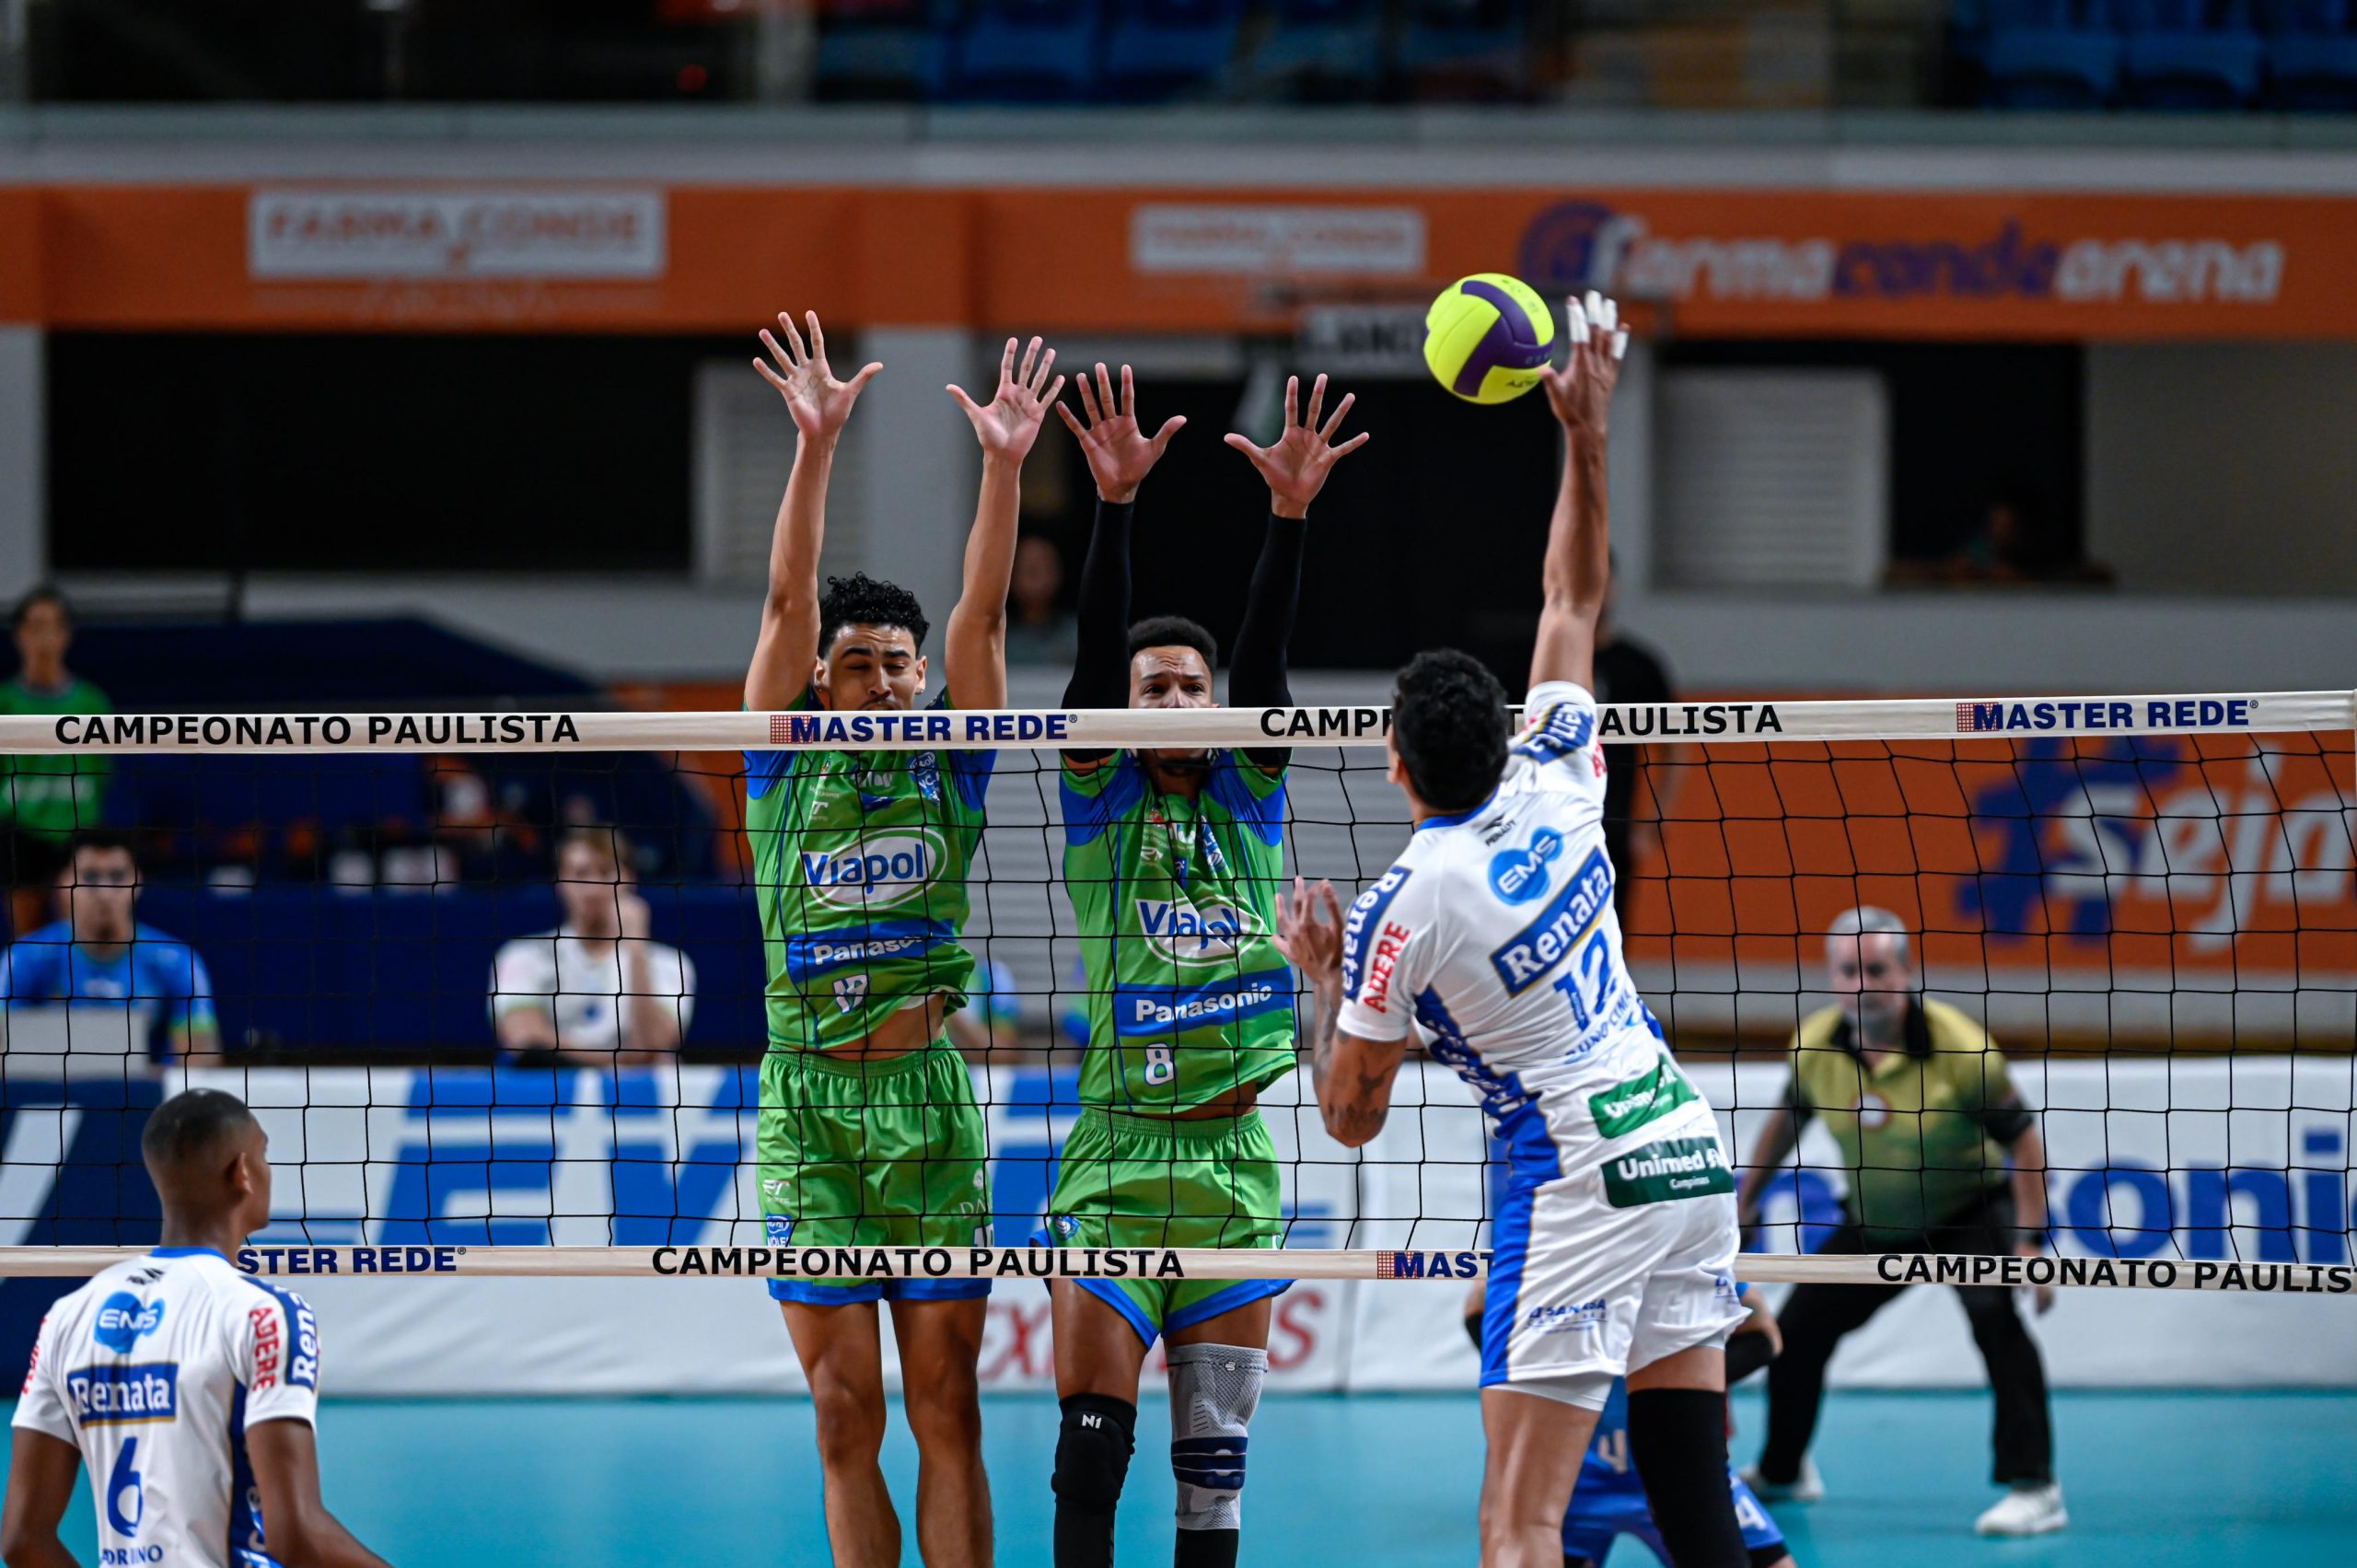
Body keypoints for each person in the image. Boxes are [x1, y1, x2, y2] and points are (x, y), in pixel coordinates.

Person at [1278, 293, 1759, 1568]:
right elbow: (1572, 590)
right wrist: (1584, 433)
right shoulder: (1559, 769)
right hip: (1680, 1143)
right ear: (1504, 732)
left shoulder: (1402, 905)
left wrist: (1317, 981)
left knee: (1517, 1524)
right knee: (1693, 1501)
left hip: (1581, 1181)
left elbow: (1349, 1115)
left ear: (1392, 760)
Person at [742, 313, 1062, 1568]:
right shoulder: (779, 767)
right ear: (823, 682)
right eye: (857, 664)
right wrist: (817, 443)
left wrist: (1003, 465)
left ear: (921, 680)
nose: (880, 682)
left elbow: (985, 620)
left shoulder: (952, 760)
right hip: (808, 1108)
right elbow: (781, 597)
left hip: (926, 1105)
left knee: (948, 1409)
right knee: (841, 1411)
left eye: (896, 664)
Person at [1042, 362, 1365, 1568]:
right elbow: (1085, 673)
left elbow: (1269, 668)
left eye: (1191, 682)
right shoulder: (1097, 800)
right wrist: (1115, 506)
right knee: (1089, 1450)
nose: (1176, 695)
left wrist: (1288, 516)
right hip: (1118, 1155)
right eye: (1153, 686)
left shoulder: (1248, 798)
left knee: (1213, 1486)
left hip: (1234, 1166)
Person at [1734, 906, 2063, 1538]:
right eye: (1848, 970)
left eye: (1876, 969)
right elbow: (1784, 1124)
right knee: (1795, 1332)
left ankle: (2036, 1486)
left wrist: (2028, 1241)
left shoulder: (1964, 1049)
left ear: (1907, 972)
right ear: (1831, 978)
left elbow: (2023, 1142)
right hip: (1877, 1220)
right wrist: (1747, 1199)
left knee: (1996, 1320)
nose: (1862, 984)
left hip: (1967, 1212)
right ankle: (1783, 1469)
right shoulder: (1814, 1047)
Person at [3, 1086, 394, 1568]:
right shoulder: (265, 1312)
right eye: (264, 1154)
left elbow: (22, 1540)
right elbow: (295, 1535)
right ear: (243, 1172)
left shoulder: (68, 1315)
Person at [1459, 1280, 1795, 1568]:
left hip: (1681, 1471)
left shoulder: (1682, 1260)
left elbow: (1767, 1337)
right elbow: (1478, 1302)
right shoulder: (1560, 1261)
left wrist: (1687, 1380)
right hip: (1571, 1481)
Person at [0, 830, 220, 1066]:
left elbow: (201, 1061)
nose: (104, 893)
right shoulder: (23, 958)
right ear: (62, 884)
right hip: (51, 1097)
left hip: (146, 1098)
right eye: (90, 877)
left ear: (138, 882)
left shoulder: (178, 962)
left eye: (117, 877)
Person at [488, 825, 696, 1066]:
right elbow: (525, 1039)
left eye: (606, 872)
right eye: (581, 873)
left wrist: (637, 950)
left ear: (630, 880)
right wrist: (624, 1063)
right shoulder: (521, 956)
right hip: (553, 1097)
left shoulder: (670, 963)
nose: (594, 889)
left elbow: (657, 1042)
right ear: (561, 883)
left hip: (638, 1101)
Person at [1, 587, 112, 941]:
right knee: (27, 941)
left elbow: (103, 774)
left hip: (76, 834)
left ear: (66, 635)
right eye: (35, 626)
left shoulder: (92, 701)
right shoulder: (4, 700)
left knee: (77, 937)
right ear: (20, 635)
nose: (44, 636)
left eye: (53, 626)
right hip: (18, 833)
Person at [1588, 565, 1679, 935]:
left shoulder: (1638, 665)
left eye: (1601, 577)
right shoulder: (1535, 664)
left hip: (1616, 830)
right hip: (1548, 831)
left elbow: (1677, 749)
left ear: (1614, 586)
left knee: (1612, 939)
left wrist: (1654, 820)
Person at [1004, 534, 1078, 666]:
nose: (1039, 577)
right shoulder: (999, 639)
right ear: (1011, 576)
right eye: (1031, 570)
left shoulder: (1077, 635)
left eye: (1045, 567)